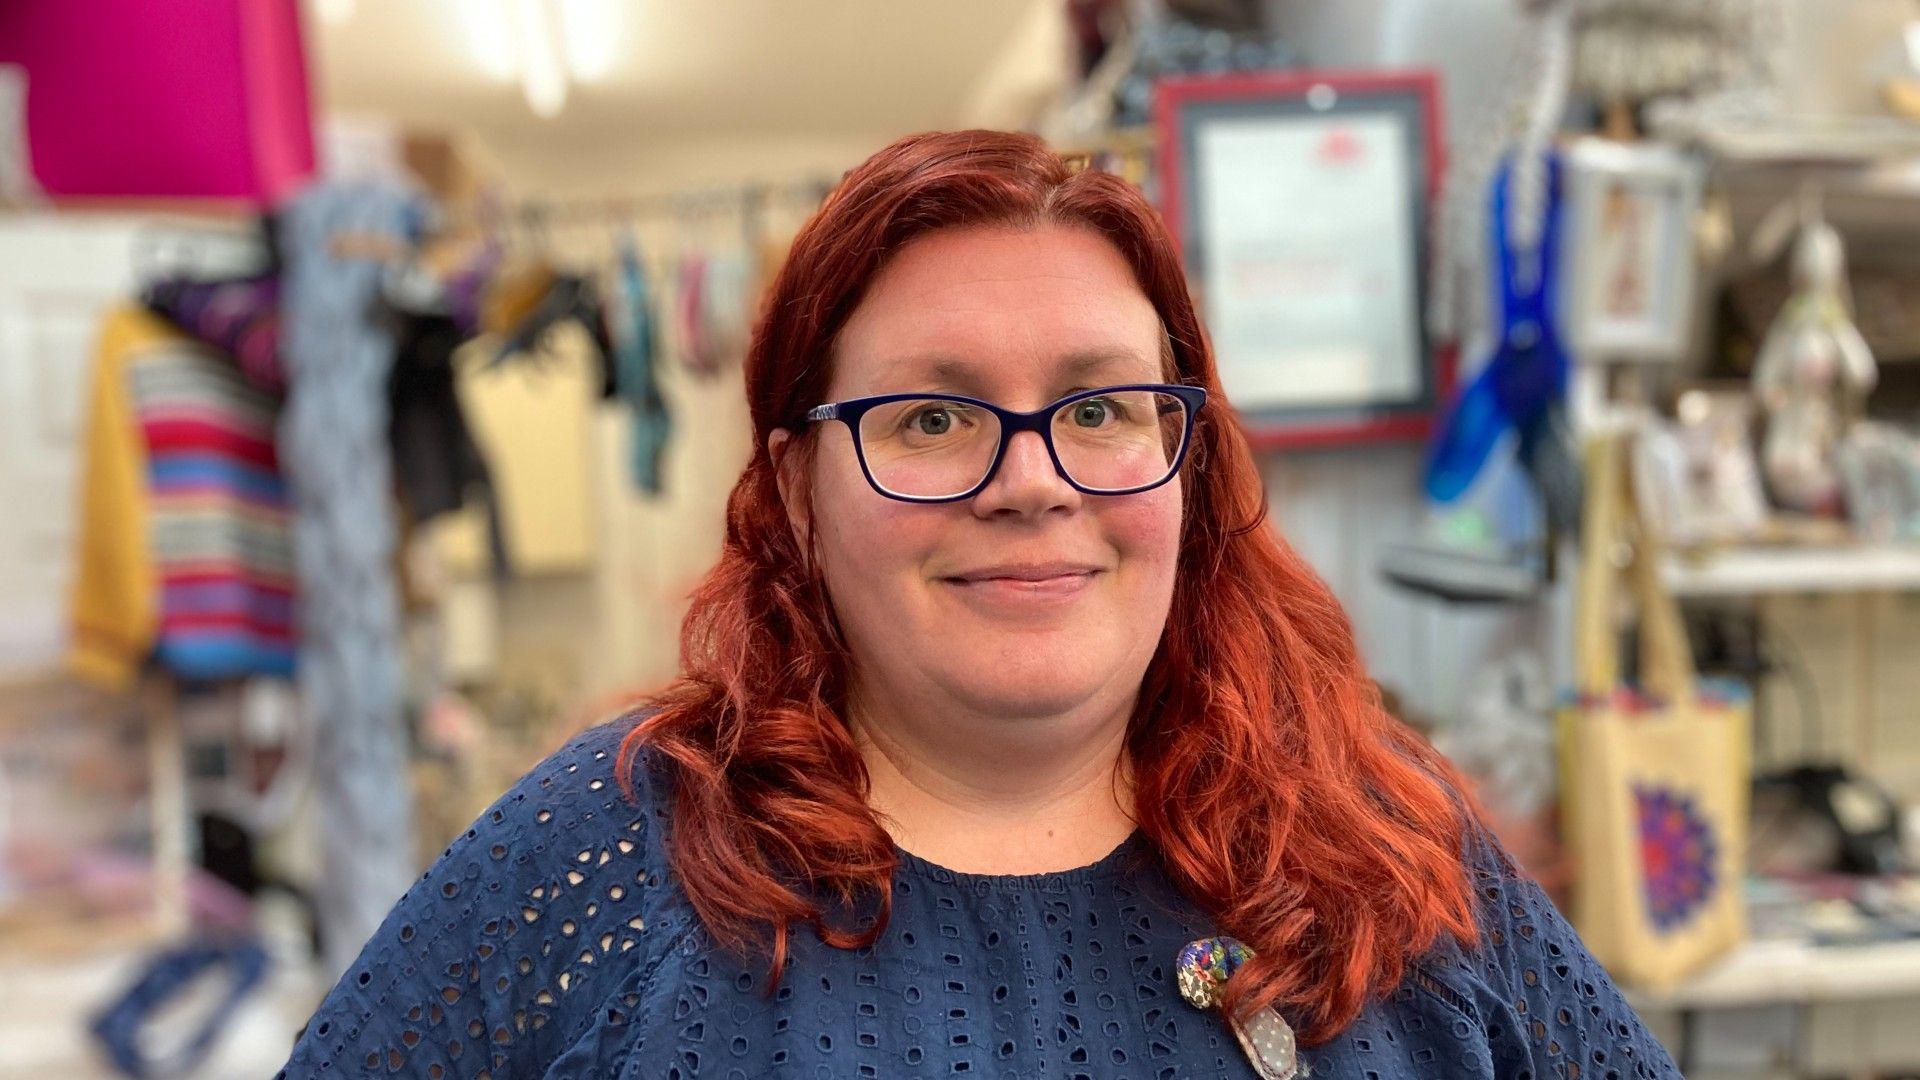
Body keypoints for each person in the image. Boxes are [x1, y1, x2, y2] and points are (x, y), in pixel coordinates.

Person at [278, 130, 1679, 1079]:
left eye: (1103, 406)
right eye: (935, 416)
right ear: (797, 484)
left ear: (1188, 455)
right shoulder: (607, 851)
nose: (1031, 482)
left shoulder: (1387, 842)